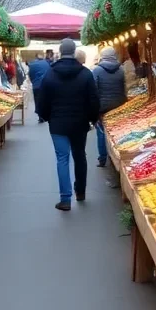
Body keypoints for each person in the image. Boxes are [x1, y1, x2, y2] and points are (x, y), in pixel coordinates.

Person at [35, 38, 99, 211]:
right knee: (80, 156)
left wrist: (47, 117)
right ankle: (81, 192)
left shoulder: (50, 73)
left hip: (58, 124)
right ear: (74, 51)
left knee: (62, 159)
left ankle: (65, 199)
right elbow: (93, 100)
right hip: (79, 123)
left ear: (61, 51)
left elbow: (42, 100)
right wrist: (93, 118)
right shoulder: (86, 74)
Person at [93, 46, 126, 168]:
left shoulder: (97, 71)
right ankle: (118, 155)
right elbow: (124, 88)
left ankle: (102, 158)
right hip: (118, 105)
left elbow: (93, 91)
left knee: (101, 133)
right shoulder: (121, 69)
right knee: (118, 131)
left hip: (102, 107)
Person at [27, 50, 53, 122]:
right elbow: (50, 72)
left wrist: (33, 82)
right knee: (46, 99)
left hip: (36, 86)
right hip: (46, 84)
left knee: (37, 100)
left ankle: (40, 116)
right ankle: (46, 114)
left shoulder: (32, 64)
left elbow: (30, 75)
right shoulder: (47, 63)